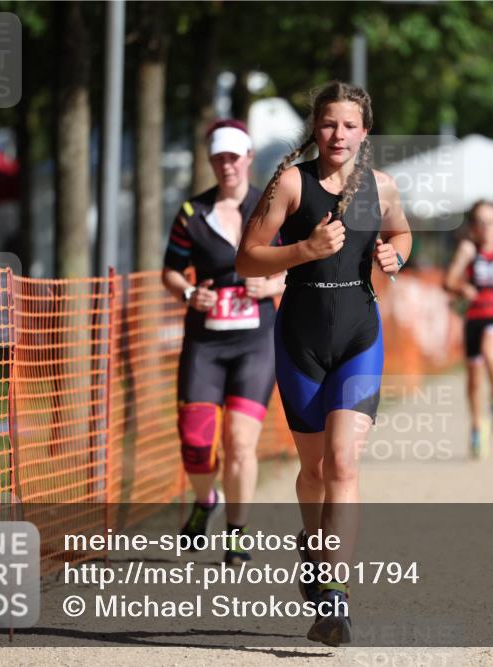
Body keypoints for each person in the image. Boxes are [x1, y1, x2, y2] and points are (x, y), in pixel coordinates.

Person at [235, 81, 412, 646]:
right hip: (301, 340)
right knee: (313, 471)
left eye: (349, 125)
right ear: (316, 127)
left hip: (359, 336)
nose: (338, 134)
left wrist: (395, 254)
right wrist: (303, 251)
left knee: (343, 464)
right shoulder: (291, 183)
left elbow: (401, 232)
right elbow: (247, 258)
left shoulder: (382, 187)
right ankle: (313, 550)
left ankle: (336, 598)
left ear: (365, 131)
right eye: (329, 123)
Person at [161, 119, 285, 566]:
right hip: (205, 344)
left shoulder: (271, 207)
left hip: (256, 342)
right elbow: (170, 271)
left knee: (239, 442)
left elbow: (299, 264)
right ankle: (206, 500)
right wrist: (190, 294)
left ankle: (237, 530)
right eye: (219, 158)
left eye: (234, 156)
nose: (227, 165)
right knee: (196, 444)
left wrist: (271, 285)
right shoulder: (191, 213)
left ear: (249, 158)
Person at [443, 200, 493, 459]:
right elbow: (448, 280)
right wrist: (462, 288)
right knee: (474, 379)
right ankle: (477, 426)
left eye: (492, 222)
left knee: (490, 351)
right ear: (473, 227)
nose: (487, 227)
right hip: (474, 315)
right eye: (482, 222)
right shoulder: (468, 249)